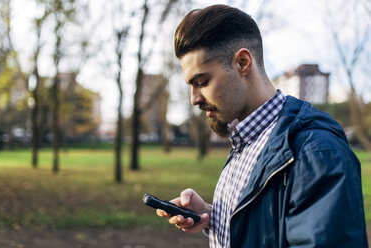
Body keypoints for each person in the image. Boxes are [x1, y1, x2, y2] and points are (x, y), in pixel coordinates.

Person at [156, 4, 368, 248]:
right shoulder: (247, 140)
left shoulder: (317, 153)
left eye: (201, 82)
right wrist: (211, 216)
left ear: (243, 62)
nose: (194, 98)